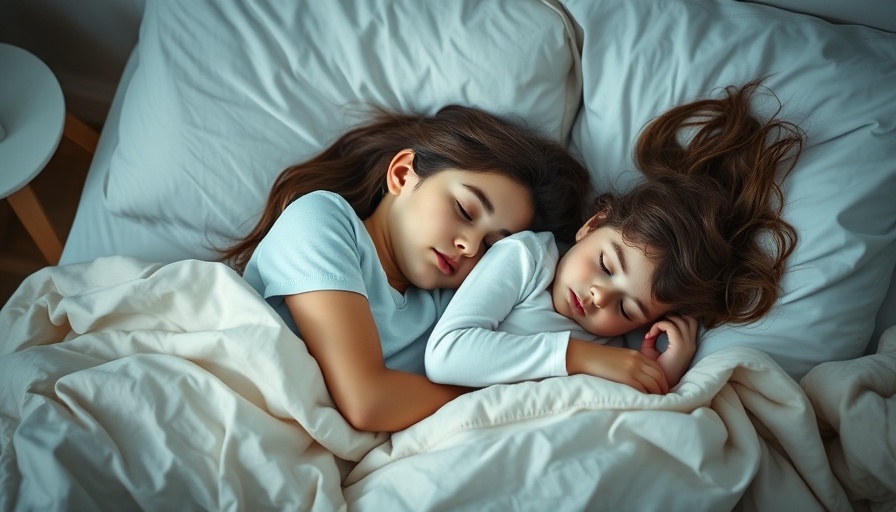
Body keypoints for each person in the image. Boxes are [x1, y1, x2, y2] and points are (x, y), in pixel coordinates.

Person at [219, 105, 593, 432]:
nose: (470, 246)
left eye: (492, 246)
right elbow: (367, 401)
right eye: (465, 210)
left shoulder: (452, 310)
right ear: (401, 174)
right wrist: (490, 389)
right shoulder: (321, 220)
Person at [425, 80, 804, 393]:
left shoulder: (619, 345)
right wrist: (581, 357)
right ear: (592, 224)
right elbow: (446, 355)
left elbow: (632, 403)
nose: (600, 298)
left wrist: (666, 370)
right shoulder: (527, 258)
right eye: (606, 265)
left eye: (626, 309)